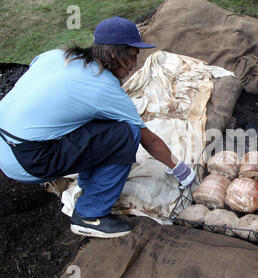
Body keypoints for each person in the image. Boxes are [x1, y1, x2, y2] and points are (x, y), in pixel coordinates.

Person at [0, 16, 196, 238]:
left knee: (98, 120)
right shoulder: (103, 87)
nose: (134, 65)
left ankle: (89, 184)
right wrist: (180, 169)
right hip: (29, 160)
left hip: (5, 147)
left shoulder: (56, 56)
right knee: (125, 134)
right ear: (114, 54)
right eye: (132, 57)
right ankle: (89, 215)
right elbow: (148, 139)